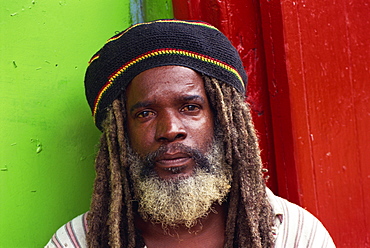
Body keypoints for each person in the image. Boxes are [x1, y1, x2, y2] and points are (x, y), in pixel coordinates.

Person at [45, 19, 335, 248]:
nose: (171, 130)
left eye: (190, 107)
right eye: (144, 114)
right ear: (120, 136)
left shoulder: (296, 235)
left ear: (223, 120)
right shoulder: (77, 242)